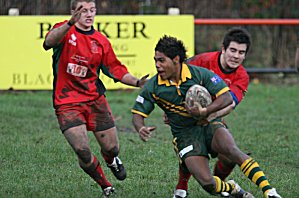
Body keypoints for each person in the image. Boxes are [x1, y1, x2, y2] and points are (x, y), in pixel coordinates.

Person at [131, 35, 281, 198]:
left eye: (161, 61)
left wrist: (205, 111)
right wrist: (141, 128)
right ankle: (232, 189)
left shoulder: (200, 74)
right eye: (156, 60)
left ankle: (269, 191)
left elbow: (227, 98)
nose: (157, 65)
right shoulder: (154, 86)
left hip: (209, 123)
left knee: (232, 151)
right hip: (185, 135)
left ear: (175, 60)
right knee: (208, 183)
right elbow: (138, 113)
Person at [43, 0, 148, 197]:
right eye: (83, 11)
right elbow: (48, 42)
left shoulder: (100, 40)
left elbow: (116, 69)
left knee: (112, 148)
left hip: (94, 100)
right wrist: (69, 24)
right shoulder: (63, 30)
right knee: (82, 150)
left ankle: (111, 160)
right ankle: (106, 186)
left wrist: (137, 82)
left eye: (92, 10)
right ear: (73, 12)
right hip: (67, 102)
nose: (89, 14)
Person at [172, 27, 251, 198]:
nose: (236, 56)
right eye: (233, 50)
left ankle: (219, 186)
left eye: (241, 52)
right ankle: (181, 187)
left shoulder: (242, 76)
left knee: (229, 157)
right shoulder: (203, 60)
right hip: (187, 117)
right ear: (223, 48)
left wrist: (208, 116)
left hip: (213, 117)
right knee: (191, 149)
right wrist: (173, 107)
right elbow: (176, 75)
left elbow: (229, 105)